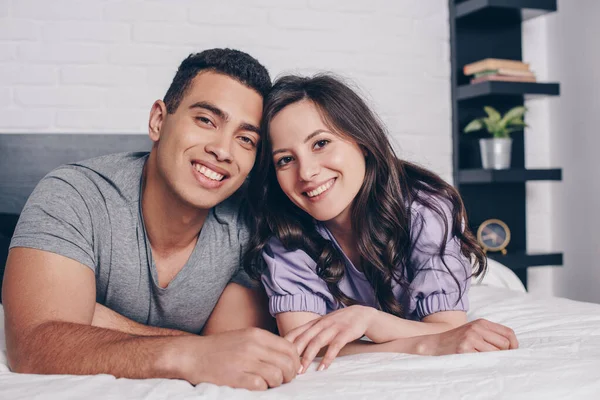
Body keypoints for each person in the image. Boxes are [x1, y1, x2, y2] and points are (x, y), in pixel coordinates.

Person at [2, 48, 300, 391]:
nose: (223, 149)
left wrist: (94, 318)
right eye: (206, 120)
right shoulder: (72, 195)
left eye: (246, 139)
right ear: (158, 120)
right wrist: (187, 354)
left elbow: (228, 351)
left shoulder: (251, 225)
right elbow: (33, 345)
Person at [244, 74, 519, 374]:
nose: (307, 172)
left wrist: (368, 320)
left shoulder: (424, 209)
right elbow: (308, 345)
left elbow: (448, 327)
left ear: (361, 141)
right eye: (285, 160)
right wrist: (420, 344)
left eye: (321, 143)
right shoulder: (286, 235)